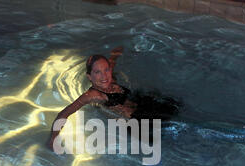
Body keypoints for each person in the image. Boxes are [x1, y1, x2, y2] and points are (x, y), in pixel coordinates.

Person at [47, 46, 180, 151]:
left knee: (175, 105)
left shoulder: (111, 80)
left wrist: (117, 52)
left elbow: (112, 60)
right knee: (164, 139)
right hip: (135, 122)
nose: (104, 76)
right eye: (97, 72)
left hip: (142, 105)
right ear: (89, 76)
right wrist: (53, 138)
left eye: (106, 70)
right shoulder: (93, 95)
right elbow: (64, 113)